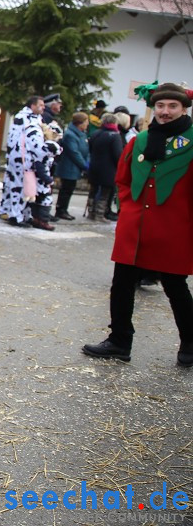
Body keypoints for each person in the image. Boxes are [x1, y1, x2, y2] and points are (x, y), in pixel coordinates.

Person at [83, 82, 193, 367]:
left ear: (183, 108)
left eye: (172, 106)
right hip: (136, 226)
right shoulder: (140, 141)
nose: (165, 112)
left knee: (175, 286)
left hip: (174, 228)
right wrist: (129, 208)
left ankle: (191, 343)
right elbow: (123, 180)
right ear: (153, 108)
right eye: (160, 106)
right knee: (121, 283)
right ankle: (119, 341)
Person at [0, 96, 46, 227]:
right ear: (33, 105)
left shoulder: (37, 118)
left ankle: (25, 214)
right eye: (40, 105)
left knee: (29, 187)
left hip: (31, 158)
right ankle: (15, 215)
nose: (43, 107)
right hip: (20, 158)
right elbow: (15, 139)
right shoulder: (22, 118)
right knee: (18, 187)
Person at [86, 112, 123, 221]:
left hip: (94, 166)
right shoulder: (115, 136)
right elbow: (118, 154)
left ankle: (91, 212)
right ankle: (99, 214)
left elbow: (90, 148)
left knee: (93, 190)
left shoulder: (96, 133)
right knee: (104, 193)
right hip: (108, 169)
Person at [54, 112, 90, 220]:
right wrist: (84, 165)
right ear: (80, 123)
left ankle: (64, 209)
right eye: (86, 121)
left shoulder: (82, 134)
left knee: (70, 189)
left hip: (76, 167)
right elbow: (74, 152)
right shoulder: (70, 135)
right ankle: (61, 210)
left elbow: (86, 150)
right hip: (69, 167)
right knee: (66, 189)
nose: (87, 124)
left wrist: (87, 160)